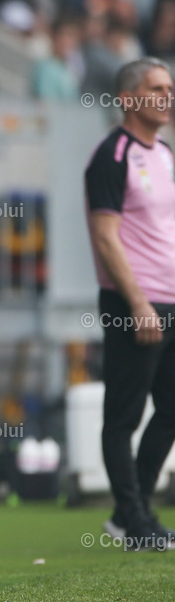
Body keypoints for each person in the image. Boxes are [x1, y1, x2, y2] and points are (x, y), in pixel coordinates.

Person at [85, 57, 175, 551]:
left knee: (172, 408)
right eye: (156, 89)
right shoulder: (112, 155)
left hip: (171, 297)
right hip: (135, 302)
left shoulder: (164, 152)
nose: (167, 97)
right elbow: (106, 237)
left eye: (169, 88)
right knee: (124, 414)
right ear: (127, 98)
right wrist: (138, 303)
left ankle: (130, 513)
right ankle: (134, 521)